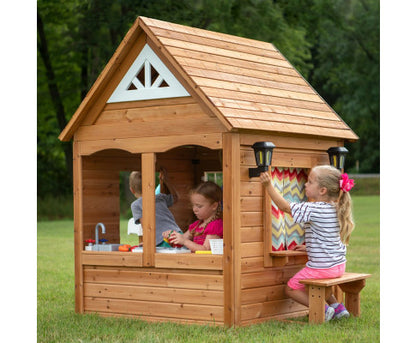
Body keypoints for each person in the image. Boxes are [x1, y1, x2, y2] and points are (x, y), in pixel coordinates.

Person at [260, 165, 355, 321]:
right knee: (320, 284)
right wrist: (308, 246)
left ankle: (322, 310)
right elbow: (326, 236)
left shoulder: (314, 209)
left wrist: (268, 185)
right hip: (338, 265)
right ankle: (338, 308)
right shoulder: (337, 208)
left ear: (322, 190)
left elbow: (284, 206)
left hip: (323, 268)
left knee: (291, 288)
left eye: (310, 182)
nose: (305, 184)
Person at [163, 181, 223, 252]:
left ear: (214, 206)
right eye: (193, 205)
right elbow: (181, 241)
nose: (194, 209)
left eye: (199, 206)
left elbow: (205, 250)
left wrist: (184, 241)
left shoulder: (215, 225)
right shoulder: (196, 225)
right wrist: (172, 237)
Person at [129, 168, 182, 247]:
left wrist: (147, 242)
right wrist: (166, 181)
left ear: (132, 190)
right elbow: (175, 198)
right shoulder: (159, 197)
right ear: (151, 186)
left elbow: (146, 226)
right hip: (177, 234)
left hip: (162, 239)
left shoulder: (136, 205)